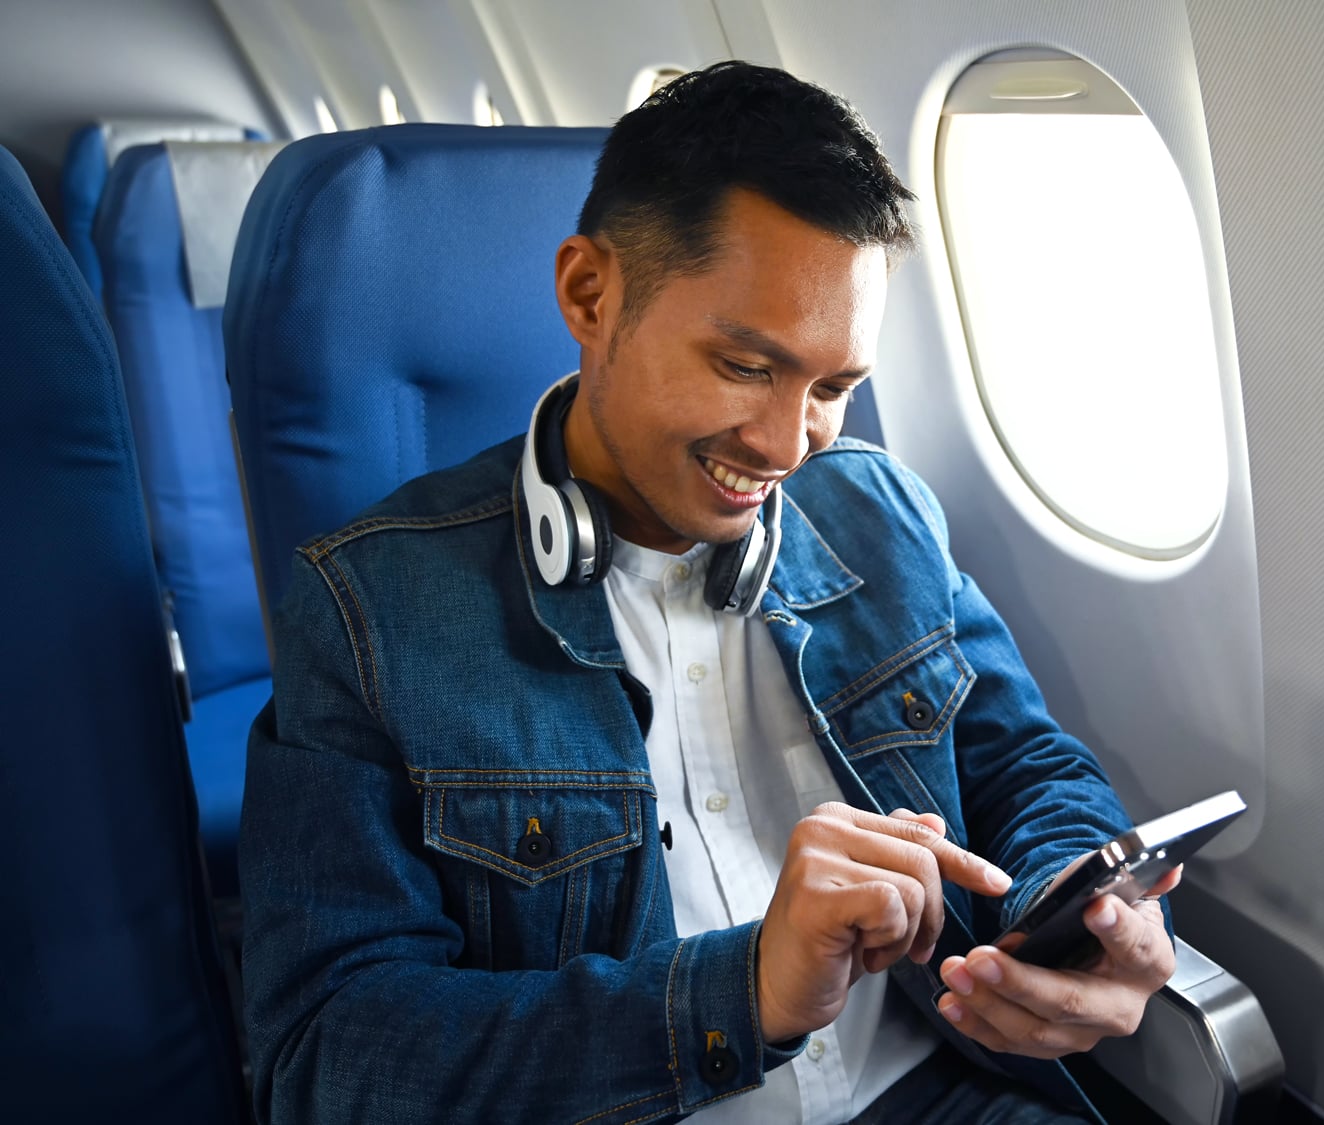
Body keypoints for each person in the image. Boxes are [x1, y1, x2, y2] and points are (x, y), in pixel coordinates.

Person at [239, 60, 1177, 1125]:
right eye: (744, 366)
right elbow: (326, 1063)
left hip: (943, 1093)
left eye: (832, 388)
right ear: (590, 295)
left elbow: (1022, 763)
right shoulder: (371, 609)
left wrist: (1086, 900)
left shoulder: (880, 513)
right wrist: (741, 995)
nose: (787, 445)